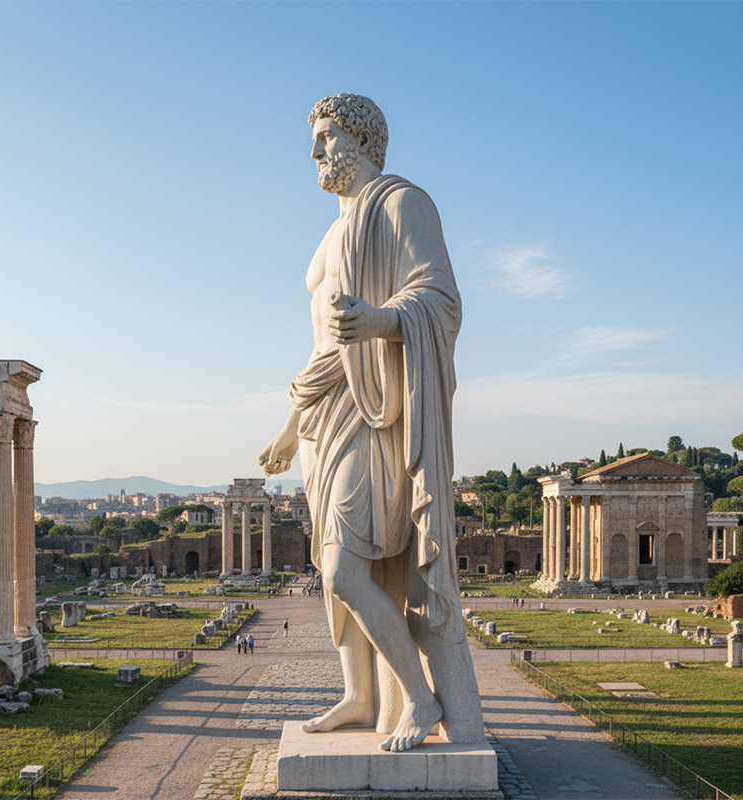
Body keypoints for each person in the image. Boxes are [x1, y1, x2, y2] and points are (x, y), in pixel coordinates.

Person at [258, 94, 484, 753]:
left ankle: (420, 698)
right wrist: (288, 423)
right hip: (323, 416)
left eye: (327, 136)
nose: (315, 151)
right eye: (316, 138)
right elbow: (323, 348)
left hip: (375, 411)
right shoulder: (335, 230)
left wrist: (386, 321)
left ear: (363, 140)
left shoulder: (401, 204)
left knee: (345, 570)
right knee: (340, 573)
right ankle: (360, 695)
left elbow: (440, 298)